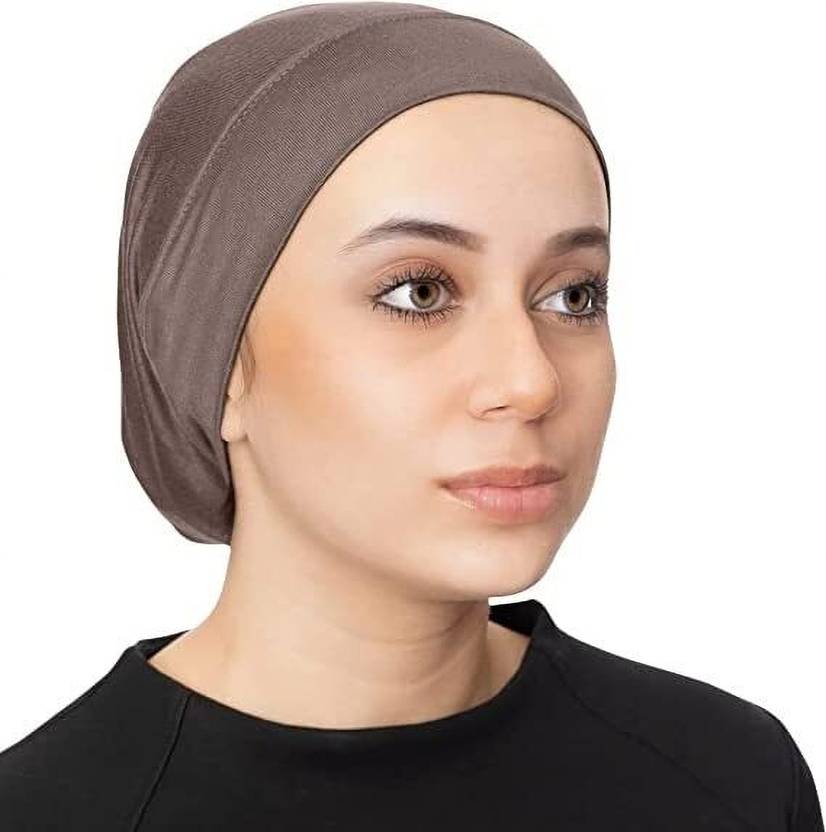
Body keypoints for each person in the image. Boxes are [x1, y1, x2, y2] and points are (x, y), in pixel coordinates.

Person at [1, 3, 822, 830]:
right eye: (419, 293)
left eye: (573, 295)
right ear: (217, 365)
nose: (531, 381)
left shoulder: (732, 780)